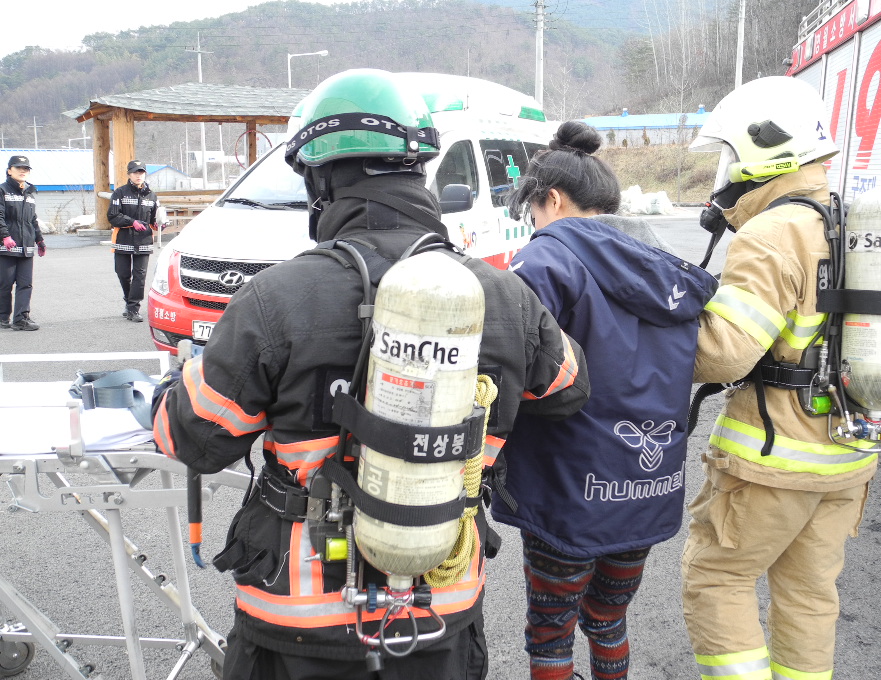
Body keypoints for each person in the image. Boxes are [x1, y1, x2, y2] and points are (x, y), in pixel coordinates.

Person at [150, 68, 590, 680]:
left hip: (296, 618)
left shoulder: (275, 299)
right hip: (438, 609)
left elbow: (190, 437)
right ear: (420, 172)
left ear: (321, 180)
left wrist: (173, 388)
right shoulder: (503, 295)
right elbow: (568, 389)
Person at [493, 121, 717, 680]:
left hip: (568, 486)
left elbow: (509, 364)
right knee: (609, 618)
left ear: (552, 199)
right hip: (648, 484)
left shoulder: (546, 261)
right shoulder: (664, 262)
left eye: (534, 212)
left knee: (551, 630)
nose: (535, 225)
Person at [680, 76, 879, 680]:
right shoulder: (849, 219)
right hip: (847, 456)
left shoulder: (773, 233)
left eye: (730, 154)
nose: (725, 171)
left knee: (717, 578)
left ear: (762, 148)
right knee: (809, 596)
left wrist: (657, 335)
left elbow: (725, 354)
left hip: (774, 460)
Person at [108, 159, 158, 322]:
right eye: (135, 172)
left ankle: (133, 308)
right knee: (122, 274)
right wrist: (132, 222)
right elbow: (113, 216)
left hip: (144, 241)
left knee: (140, 276)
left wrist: (159, 223)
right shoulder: (119, 193)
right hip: (123, 239)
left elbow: (154, 219)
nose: (139, 175)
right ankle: (129, 301)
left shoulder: (152, 196)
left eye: (141, 172)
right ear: (129, 174)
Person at [1, 155, 45, 331]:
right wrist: (4, 236)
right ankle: (2, 317)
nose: (22, 171)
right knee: (5, 284)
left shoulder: (29, 193)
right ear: (9, 170)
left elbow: (32, 219)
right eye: (18, 168)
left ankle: (21, 319)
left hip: (26, 246)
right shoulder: (2, 191)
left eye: (25, 168)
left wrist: (39, 239)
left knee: (25, 284)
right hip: (7, 247)